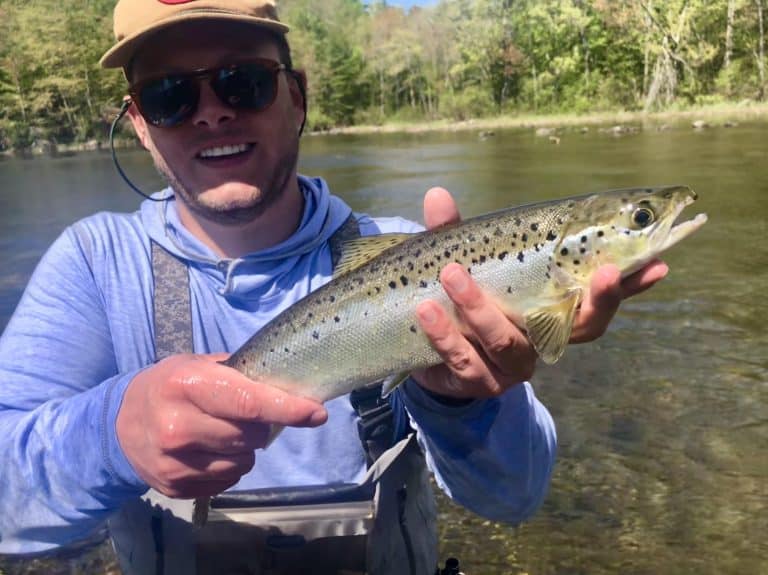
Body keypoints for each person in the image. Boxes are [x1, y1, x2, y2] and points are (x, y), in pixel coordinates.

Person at [0, 1, 669, 573]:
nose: (210, 115)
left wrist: (464, 402)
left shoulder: (426, 260)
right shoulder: (93, 265)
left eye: (242, 82)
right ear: (140, 124)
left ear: (297, 97)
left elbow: (515, 497)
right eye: (169, 96)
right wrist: (112, 433)